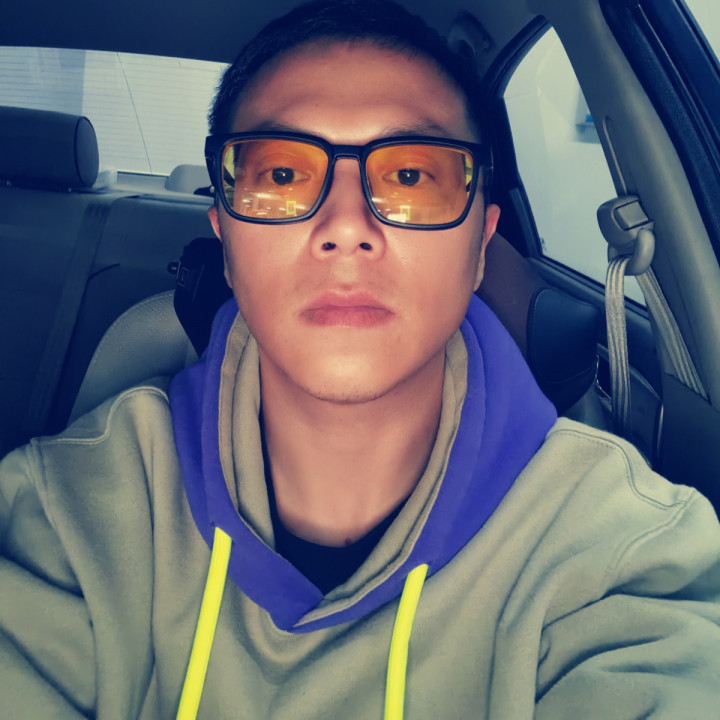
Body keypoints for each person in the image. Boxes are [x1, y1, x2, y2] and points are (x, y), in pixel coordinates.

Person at [2, 1, 720, 718]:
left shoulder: (621, 553)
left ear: (480, 246)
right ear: (224, 241)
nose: (346, 227)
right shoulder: (68, 516)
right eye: (284, 174)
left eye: (411, 176)